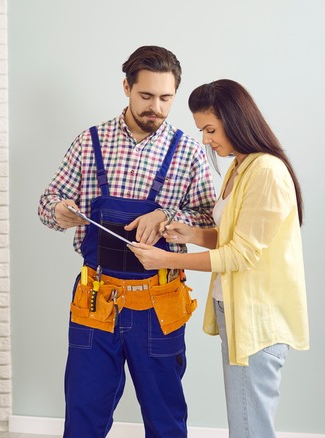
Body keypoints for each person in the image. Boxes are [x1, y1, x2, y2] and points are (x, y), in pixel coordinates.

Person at [37, 45, 216, 438]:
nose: (156, 107)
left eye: (166, 98)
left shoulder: (188, 151)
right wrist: (60, 213)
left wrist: (168, 217)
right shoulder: (90, 143)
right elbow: (47, 204)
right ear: (126, 88)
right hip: (95, 300)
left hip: (158, 304)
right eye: (146, 96)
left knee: (165, 417)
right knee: (83, 414)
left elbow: (212, 224)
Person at [129, 79, 310, 438]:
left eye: (210, 129)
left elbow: (240, 255)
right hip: (236, 311)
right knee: (244, 422)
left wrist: (166, 261)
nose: (206, 140)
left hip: (257, 317)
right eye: (202, 131)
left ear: (235, 120)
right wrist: (191, 234)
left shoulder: (267, 172)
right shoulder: (238, 168)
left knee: (249, 427)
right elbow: (232, 237)